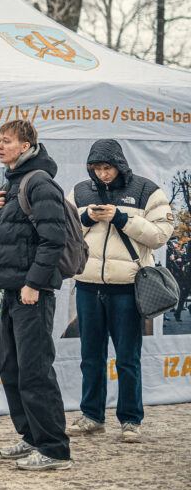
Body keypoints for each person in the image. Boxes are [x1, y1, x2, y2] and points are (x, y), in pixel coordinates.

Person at [66, 140, 174, 444]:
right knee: (90, 357)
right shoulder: (78, 192)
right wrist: (86, 218)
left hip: (127, 289)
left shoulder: (146, 190)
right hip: (87, 286)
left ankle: (130, 421)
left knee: (128, 358)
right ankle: (92, 417)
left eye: (107, 167)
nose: (102, 174)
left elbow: (161, 235)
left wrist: (122, 218)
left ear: (120, 164)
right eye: (96, 168)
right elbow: (64, 229)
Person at [0, 120, 71, 470]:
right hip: (13, 291)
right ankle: (32, 437)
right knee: (12, 369)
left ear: (26, 144)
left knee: (35, 371)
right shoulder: (14, 182)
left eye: (6, 141)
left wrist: (33, 284)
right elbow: (14, 239)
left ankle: (55, 449)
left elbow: (53, 240)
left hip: (33, 293)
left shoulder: (40, 183)